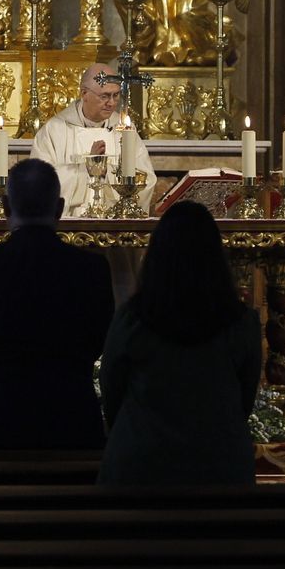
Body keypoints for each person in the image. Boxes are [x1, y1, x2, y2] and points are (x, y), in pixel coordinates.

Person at [0, 159, 115, 448]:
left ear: (6, 207)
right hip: (68, 416)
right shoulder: (91, 269)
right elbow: (100, 336)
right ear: (59, 208)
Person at [97, 201, 262, 485]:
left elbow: (112, 388)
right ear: (216, 257)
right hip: (220, 467)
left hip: (140, 466)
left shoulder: (133, 319)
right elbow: (244, 399)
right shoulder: (241, 322)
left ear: (156, 255)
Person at [31, 63, 155, 217]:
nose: (111, 103)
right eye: (104, 96)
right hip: (69, 225)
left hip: (115, 224)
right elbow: (39, 183)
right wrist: (87, 167)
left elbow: (147, 179)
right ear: (84, 94)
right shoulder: (54, 130)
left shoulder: (125, 130)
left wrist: (110, 173)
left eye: (116, 95)